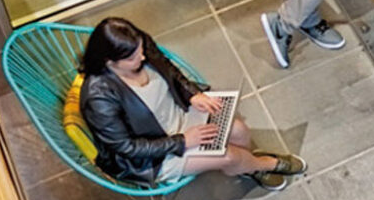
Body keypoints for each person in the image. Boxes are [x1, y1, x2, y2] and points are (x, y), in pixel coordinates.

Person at [78, 16, 303, 191]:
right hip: (154, 154)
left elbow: (168, 69)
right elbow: (128, 148)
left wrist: (192, 94)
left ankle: (247, 166)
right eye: (132, 58)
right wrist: (183, 141)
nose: (143, 58)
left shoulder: (140, 46)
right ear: (110, 62)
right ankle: (264, 164)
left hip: (180, 116)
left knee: (239, 130)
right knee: (229, 155)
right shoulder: (99, 97)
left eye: (141, 51)